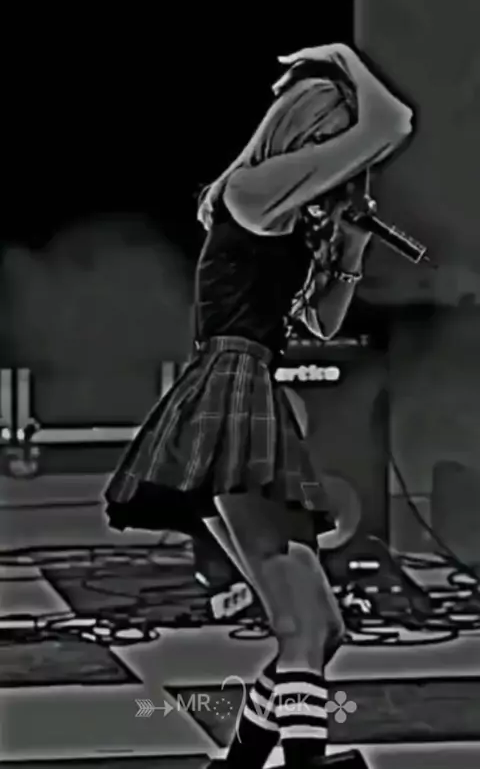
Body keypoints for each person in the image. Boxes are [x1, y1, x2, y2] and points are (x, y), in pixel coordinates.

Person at [104, 43, 413, 768]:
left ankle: (244, 762)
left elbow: (322, 326)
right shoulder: (251, 189)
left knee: (322, 629)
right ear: (305, 131)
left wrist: (349, 247)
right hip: (230, 393)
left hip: (249, 391)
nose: (341, 160)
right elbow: (393, 123)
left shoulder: (282, 213)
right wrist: (342, 57)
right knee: (300, 630)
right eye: (331, 139)